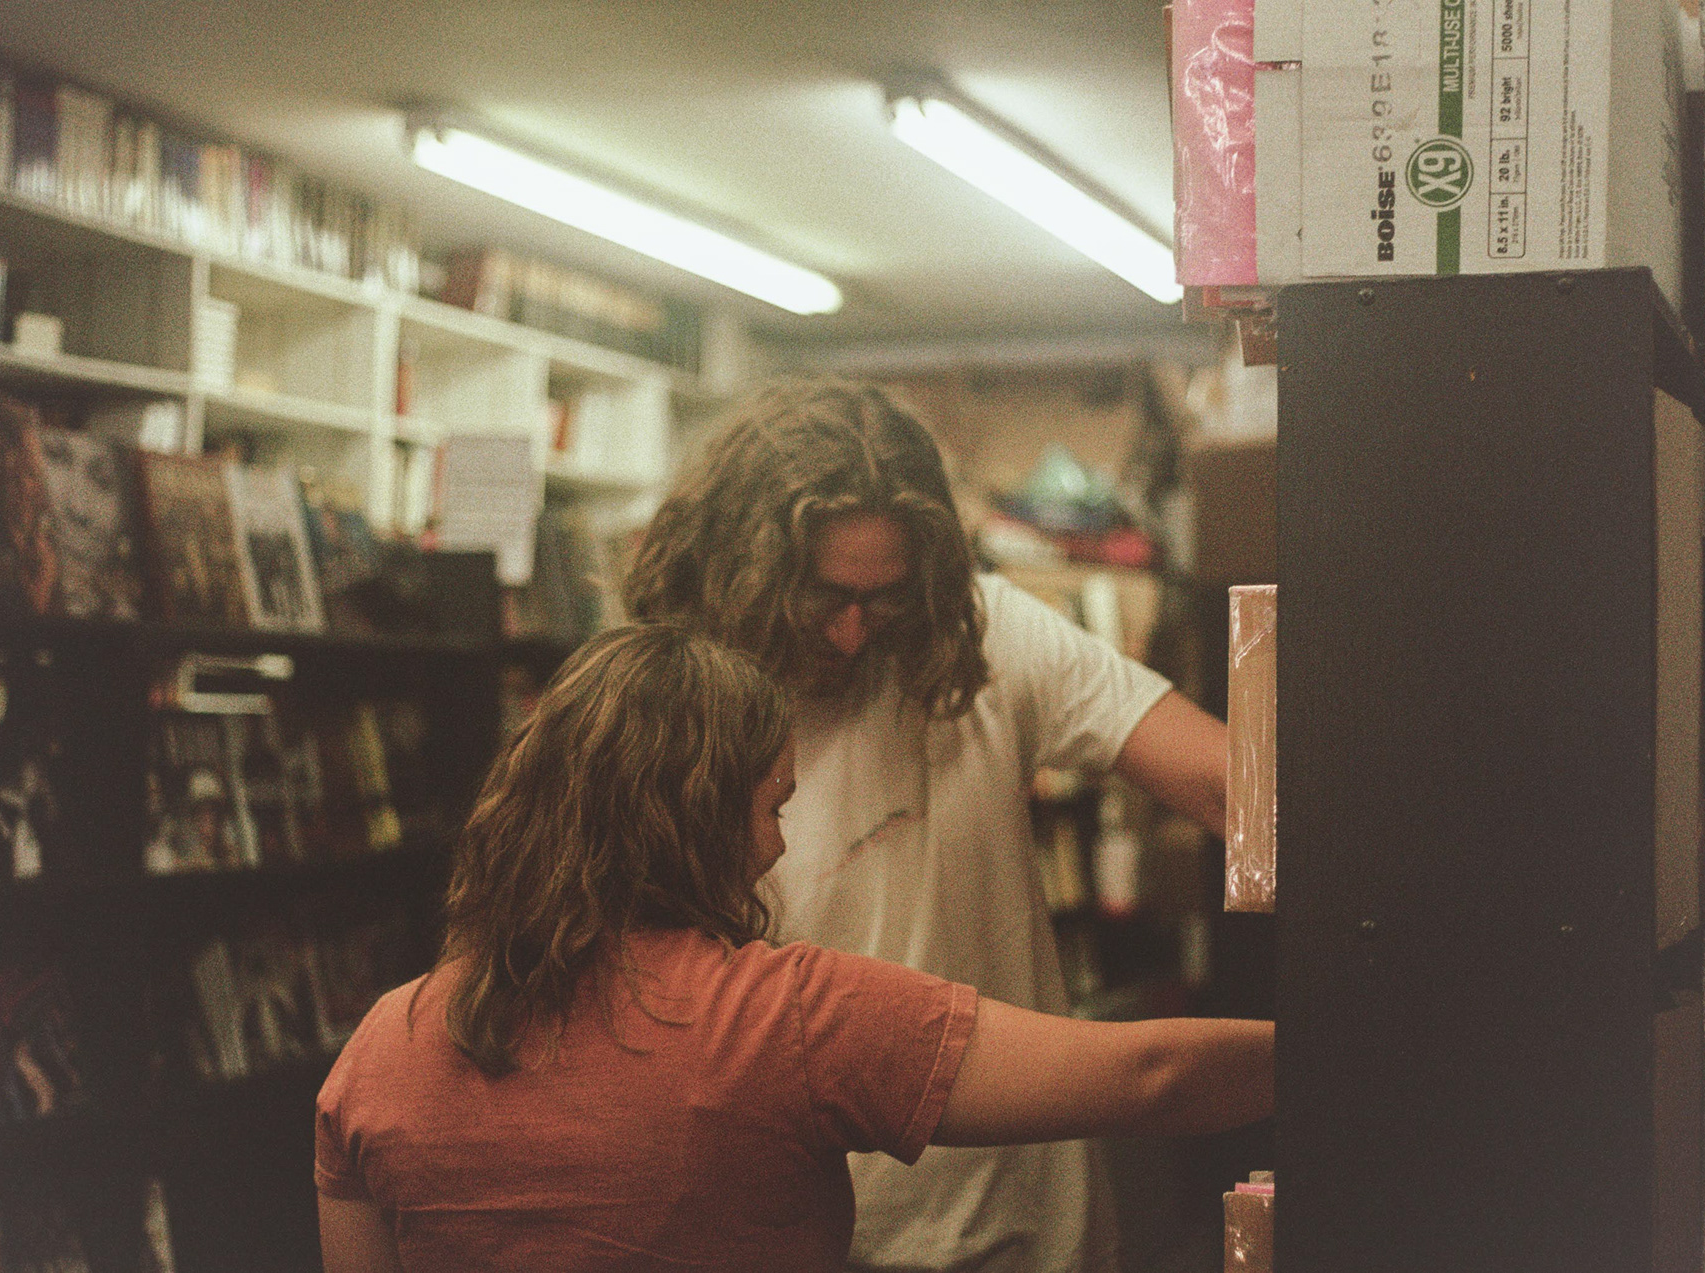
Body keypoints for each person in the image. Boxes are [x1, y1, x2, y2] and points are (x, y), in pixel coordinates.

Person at [315, 624, 1272, 1271]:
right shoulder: (785, 1016)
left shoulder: (381, 1048)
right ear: (690, 816)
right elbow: (1151, 1074)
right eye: (772, 806)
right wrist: (1359, 1044)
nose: (778, 845)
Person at [623, 380, 1232, 1272]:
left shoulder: (989, 632)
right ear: (744, 570)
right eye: (825, 597)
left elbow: (1233, 786)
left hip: (1023, 1224)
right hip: (802, 1232)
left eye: (888, 597)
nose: (853, 631)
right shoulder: (666, 713)